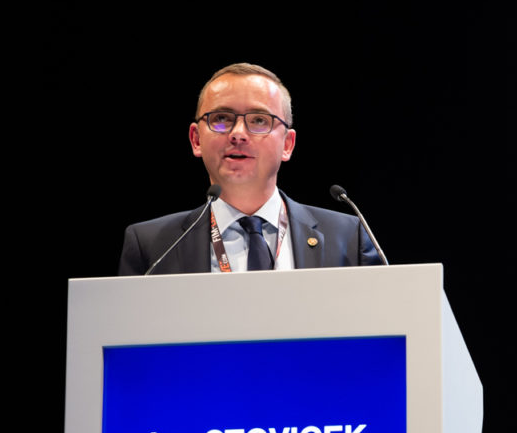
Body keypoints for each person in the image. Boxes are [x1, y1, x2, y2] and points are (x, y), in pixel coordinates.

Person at [118, 63, 382, 275]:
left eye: (259, 120)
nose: (238, 134)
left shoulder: (348, 237)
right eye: (221, 119)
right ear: (196, 139)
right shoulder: (152, 246)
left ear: (287, 144)